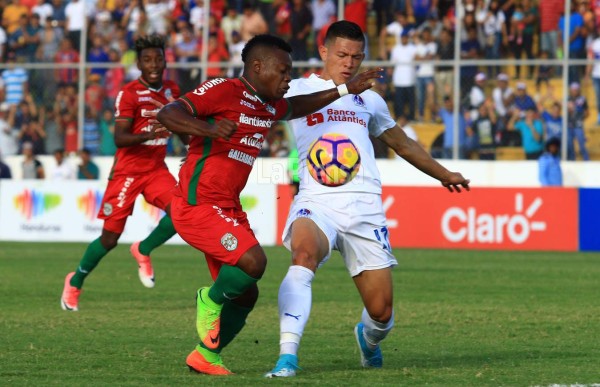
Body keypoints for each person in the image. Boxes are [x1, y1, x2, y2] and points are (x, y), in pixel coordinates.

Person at [155, 33, 382, 376]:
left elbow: (299, 107)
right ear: (257, 67)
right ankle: (210, 299)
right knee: (254, 262)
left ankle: (205, 356)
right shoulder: (224, 89)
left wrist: (346, 91)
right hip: (196, 203)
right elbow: (168, 112)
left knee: (246, 294)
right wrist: (208, 130)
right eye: (283, 70)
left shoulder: (267, 105)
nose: (288, 77)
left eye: (290, 71)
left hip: (227, 207)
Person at [264, 21, 470, 378]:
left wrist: (443, 174)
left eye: (356, 57)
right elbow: (271, 109)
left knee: (382, 312)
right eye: (342, 54)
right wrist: (343, 89)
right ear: (324, 51)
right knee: (303, 257)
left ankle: (368, 339)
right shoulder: (297, 89)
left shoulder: (370, 99)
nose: (349, 62)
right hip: (317, 201)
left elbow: (401, 143)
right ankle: (287, 357)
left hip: (365, 207)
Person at [60, 35, 184, 312]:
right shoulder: (129, 93)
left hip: (155, 170)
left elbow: (181, 126)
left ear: (165, 61)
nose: (154, 65)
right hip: (128, 172)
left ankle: (143, 249)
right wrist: (149, 133)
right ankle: (75, 280)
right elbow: (120, 138)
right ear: (138, 64)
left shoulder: (172, 89)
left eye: (158, 59)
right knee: (110, 238)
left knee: (182, 211)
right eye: (147, 60)